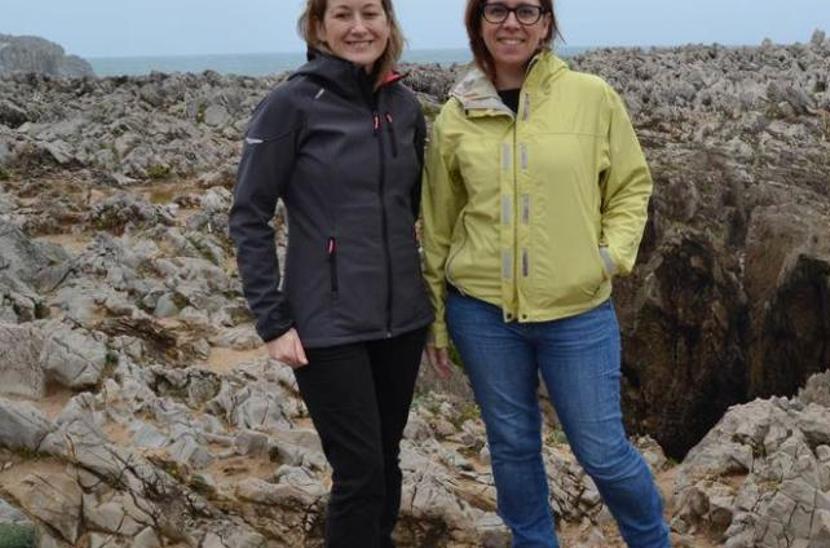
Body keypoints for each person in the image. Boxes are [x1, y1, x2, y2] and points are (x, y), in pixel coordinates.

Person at [421, 0, 670, 545]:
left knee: (603, 451)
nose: (511, 22)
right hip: (482, 313)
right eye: (496, 10)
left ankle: (651, 539)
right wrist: (438, 318)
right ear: (477, 23)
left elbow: (631, 186)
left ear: (546, 23)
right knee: (511, 444)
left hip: (576, 313)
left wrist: (607, 257)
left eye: (527, 10)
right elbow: (438, 223)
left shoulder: (592, 96)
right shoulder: (455, 114)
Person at [228, 0, 445, 545]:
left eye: (370, 13)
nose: (358, 27)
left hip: (400, 322)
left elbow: (412, 208)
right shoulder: (291, 104)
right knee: (360, 473)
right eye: (343, 14)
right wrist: (272, 321)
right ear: (318, 27)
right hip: (327, 325)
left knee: (386, 461)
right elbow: (249, 214)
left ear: (388, 24)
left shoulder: (404, 106)